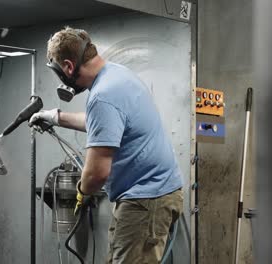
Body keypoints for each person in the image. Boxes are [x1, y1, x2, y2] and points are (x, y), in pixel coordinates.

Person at [29, 27, 184, 264]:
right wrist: (56, 117)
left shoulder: (103, 95)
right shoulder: (116, 74)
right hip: (153, 194)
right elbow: (104, 124)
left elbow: (97, 174)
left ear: (68, 67)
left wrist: (82, 192)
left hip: (145, 200)